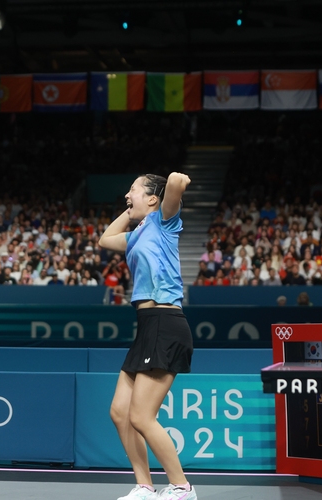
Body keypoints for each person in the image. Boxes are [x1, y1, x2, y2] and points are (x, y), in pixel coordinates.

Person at [99, 172, 197, 500]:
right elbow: (105, 239)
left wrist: (173, 180)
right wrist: (130, 208)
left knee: (141, 415)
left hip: (166, 324)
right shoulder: (138, 233)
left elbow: (175, 186)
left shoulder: (164, 221)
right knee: (119, 412)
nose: (127, 195)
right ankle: (144, 486)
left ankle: (183, 488)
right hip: (147, 326)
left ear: (153, 199)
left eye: (133, 190)